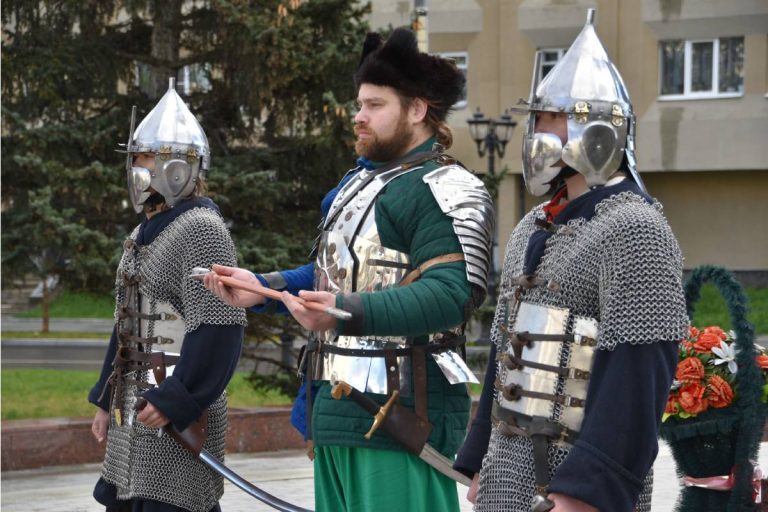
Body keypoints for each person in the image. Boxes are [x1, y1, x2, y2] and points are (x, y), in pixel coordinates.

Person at [204, 28, 494, 512]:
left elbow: (451, 295)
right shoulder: (358, 185)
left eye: (375, 105)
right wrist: (265, 288)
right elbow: (334, 274)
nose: (359, 116)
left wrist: (342, 310)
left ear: (417, 110)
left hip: (401, 414)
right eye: (359, 104)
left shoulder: (446, 188)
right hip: (335, 407)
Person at [453, 9, 689, 512]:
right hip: (510, 472)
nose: (536, 130)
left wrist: (587, 492)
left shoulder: (635, 229)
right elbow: (506, 352)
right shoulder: (533, 224)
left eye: (549, 117)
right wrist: (480, 458)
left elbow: (637, 377)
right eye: (536, 118)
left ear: (596, 127)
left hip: (574, 488)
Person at [88, 78, 246, 512]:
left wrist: (178, 397)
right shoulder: (145, 231)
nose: (134, 168)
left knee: (173, 503)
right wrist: (105, 398)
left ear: (175, 167)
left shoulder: (202, 232)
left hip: (172, 412)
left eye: (141, 157)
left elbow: (219, 328)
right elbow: (126, 323)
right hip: (133, 409)